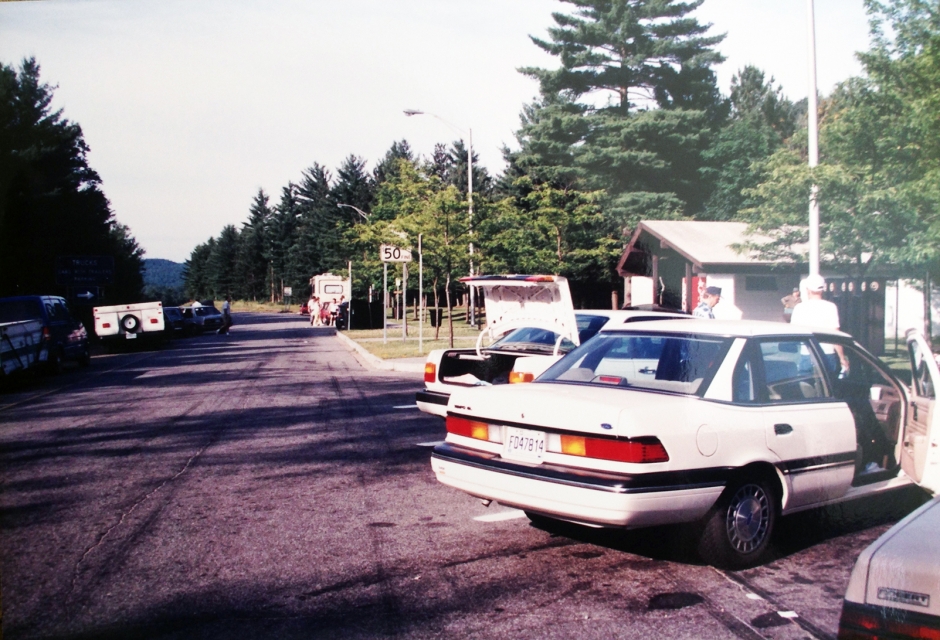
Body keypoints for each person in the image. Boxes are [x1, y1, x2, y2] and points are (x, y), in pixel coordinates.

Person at [791, 274, 849, 373]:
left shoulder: (799, 308)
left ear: (808, 289)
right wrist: (842, 358)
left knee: (807, 382)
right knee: (828, 382)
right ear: (822, 290)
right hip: (827, 354)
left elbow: (793, 332)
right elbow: (835, 335)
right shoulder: (831, 307)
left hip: (807, 354)